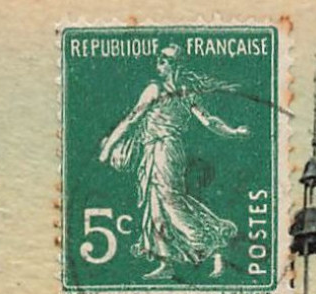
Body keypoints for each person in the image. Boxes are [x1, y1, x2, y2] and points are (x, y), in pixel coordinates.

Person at [97, 45, 250, 280]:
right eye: (159, 57)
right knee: (156, 204)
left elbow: (208, 121)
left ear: (176, 65)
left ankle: (213, 243)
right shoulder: (165, 90)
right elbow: (132, 119)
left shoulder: (166, 90)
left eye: (165, 59)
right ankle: (165, 261)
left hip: (165, 150)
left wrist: (233, 131)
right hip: (153, 150)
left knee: (170, 201)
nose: (159, 61)